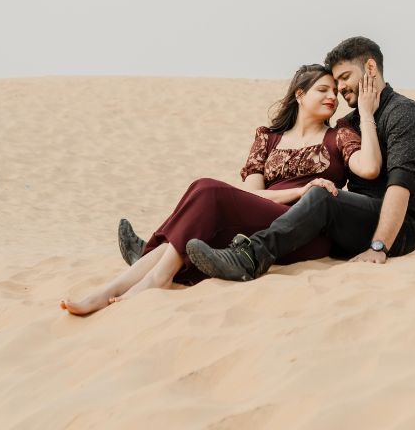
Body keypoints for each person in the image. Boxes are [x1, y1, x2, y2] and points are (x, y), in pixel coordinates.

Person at [60, 63, 382, 315]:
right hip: (262, 217)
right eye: (322, 89)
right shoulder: (267, 138)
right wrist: (298, 190)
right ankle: (116, 288)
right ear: (299, 94)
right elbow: (252, 195)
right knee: (205, 205)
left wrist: (365, 114)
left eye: (334, 94)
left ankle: (151, 275)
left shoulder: (339, 135)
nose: (331, 98)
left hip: (302, 230)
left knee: (208, 191)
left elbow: (368, 168)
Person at [186, 36, 415, 281]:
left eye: (344, 77)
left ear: (370, 67)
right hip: (355, 221)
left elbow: (400, 187)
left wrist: (379, 247)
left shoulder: (403, 113)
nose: (339, 89)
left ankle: (251, 257)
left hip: (402, 228)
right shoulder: (348, 123)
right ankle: (184, 262)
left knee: (321, 196)